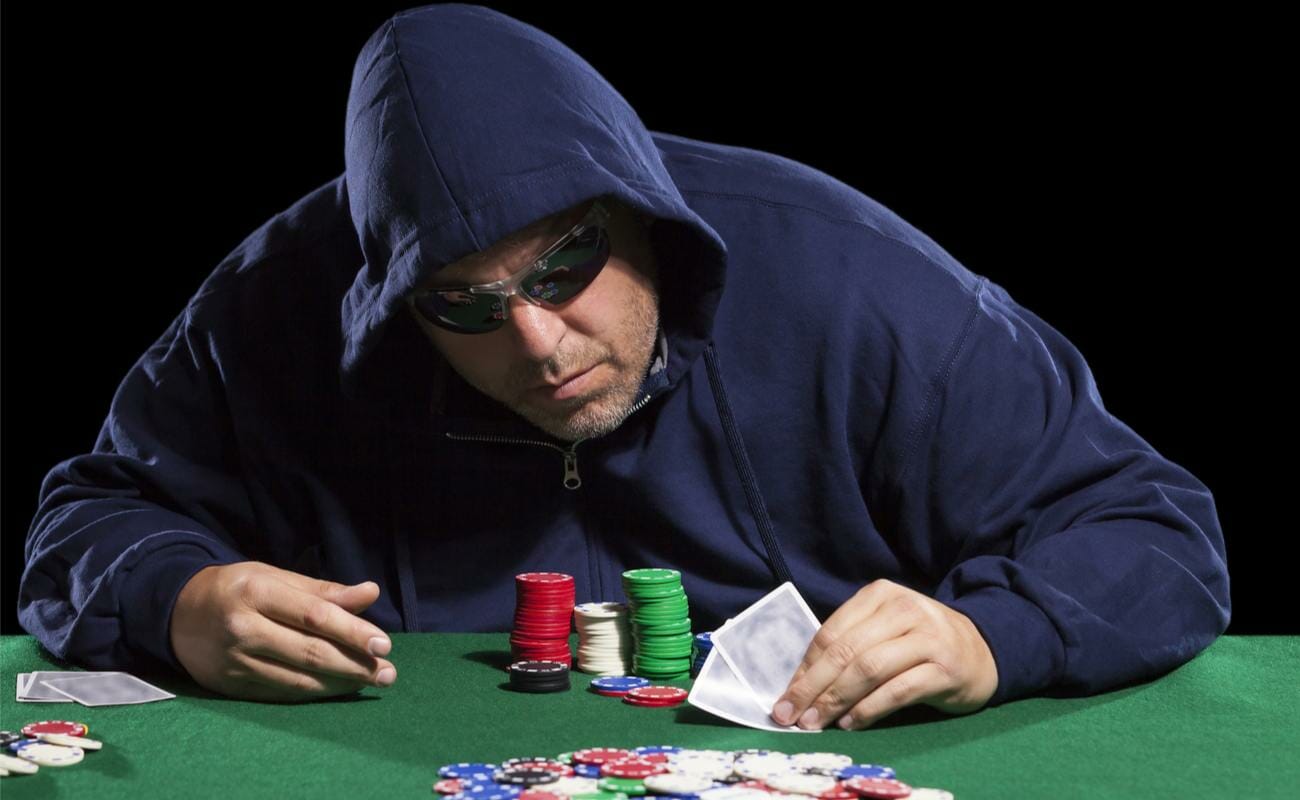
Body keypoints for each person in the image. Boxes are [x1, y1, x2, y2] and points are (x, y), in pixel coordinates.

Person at [18, 3, 1230, 729]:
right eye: (463, 305)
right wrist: (172, 598)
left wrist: (992, 638)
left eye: (564, 267)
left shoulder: (856, 284)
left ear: (640, 214)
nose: (537, 342)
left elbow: (1154, 531)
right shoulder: (270, 309)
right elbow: (91, 514)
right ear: (395, 302)